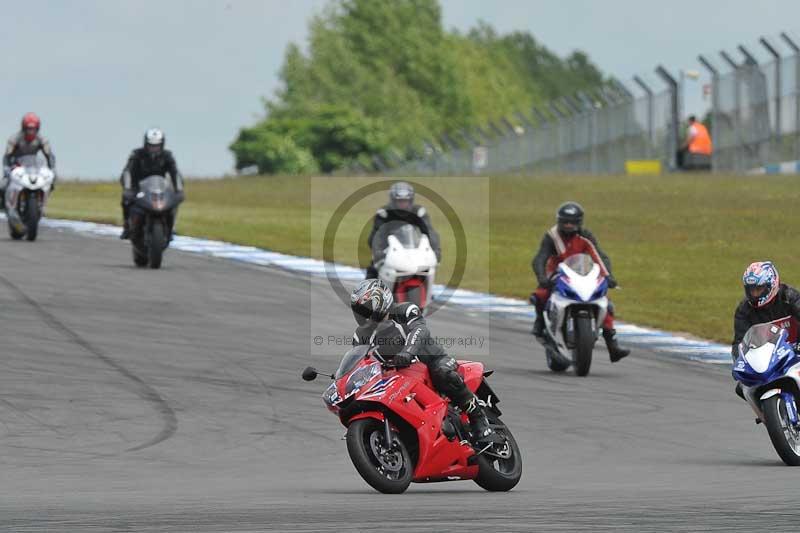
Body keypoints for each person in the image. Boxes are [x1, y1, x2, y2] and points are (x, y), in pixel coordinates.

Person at [350, 278, 501, 447]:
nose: (362, 315)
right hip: (396, 376)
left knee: (442, 372)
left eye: (365, 309)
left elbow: (420, 330)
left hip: (433, 362)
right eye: (359, 311)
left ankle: (479, 419)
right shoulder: (360, 335)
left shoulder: (405, 310)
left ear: (381, 302)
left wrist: (407, 352)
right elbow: (360, 360)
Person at [530, 201, 630, 362]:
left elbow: (599, 256)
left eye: (572, 222)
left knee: (605, 302)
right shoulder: (551, 236)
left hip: (581, 274)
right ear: (559, 221)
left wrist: (608, 276)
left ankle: (612, 344)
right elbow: (539, 258)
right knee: (540, 295)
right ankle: (540, 325)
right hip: (556, 274)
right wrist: (542, 277)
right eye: (565, 222)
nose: (568, 225)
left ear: (579, 222)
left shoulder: (585, 236)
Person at [365, 181, 441, 279]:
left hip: (415, 253)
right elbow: (376, 236)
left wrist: (436, 250)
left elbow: (430, 232)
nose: (402, 204)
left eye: (405, 201)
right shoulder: (384, 214)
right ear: (393, 200)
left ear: (411, 200)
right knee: (372, 272)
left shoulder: (418, 213)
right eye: (399, 201)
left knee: (428, 271)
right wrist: (379, 251)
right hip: (390, 254)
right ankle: (368, 293)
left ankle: (429, 294)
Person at [119, 128, 184, 240]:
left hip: (160, 188)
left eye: (157, 145)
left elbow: (175, 173)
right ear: (145, 144)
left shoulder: (167, 156)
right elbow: (127, 172)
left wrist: (179, 190)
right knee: (126, 200)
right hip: (139, 187)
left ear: (162, 144)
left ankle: (171, 226)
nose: (154, 148)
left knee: (173, 201)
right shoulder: (137, 154)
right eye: (151, 145)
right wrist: (128, 188)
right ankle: (127, 226)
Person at [2, 113, 56, 206]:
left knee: (50, 182)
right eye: (28, 129)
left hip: (33, 167)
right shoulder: (14, 139)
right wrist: (6, 168)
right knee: (3, 185)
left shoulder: (42, 140)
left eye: (33, 129)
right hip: (16, 166)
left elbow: (49, 155)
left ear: (37, 128)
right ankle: (5, 204)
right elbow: (7, 156)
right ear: (23, 128)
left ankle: (41, 203)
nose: (31, 131)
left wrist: (52, 169)